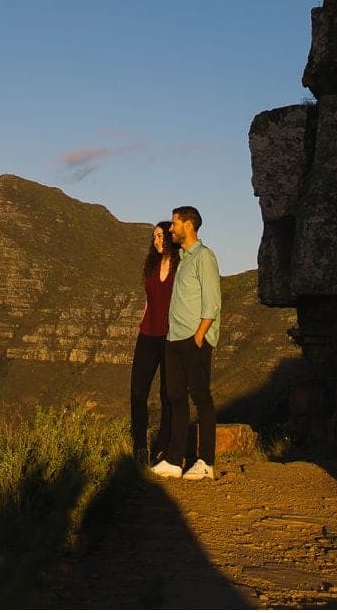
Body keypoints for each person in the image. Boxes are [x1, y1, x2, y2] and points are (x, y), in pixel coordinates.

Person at [151, 205, 220, 481]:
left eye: (174, 223)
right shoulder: (182, 258)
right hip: (174, 339)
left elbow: (212, 302)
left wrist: (199, 335)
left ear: (188, 225)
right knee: (176, 398)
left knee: (201, 398)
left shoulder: (204, 257)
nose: (171, 229)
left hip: (194, 339)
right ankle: (174, 460)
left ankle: (206, 462)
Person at [130, 222, 178, 464]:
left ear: (169, 237)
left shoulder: (181, 266)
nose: (156, 241)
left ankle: (163, 448)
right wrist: (142, 319)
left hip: (171, 336)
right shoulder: (151, 266)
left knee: (167, 393)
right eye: (154, 237)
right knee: (138, 392)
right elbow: (149, 299)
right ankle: (140, 448)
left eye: (160, 236)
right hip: (148, 334)